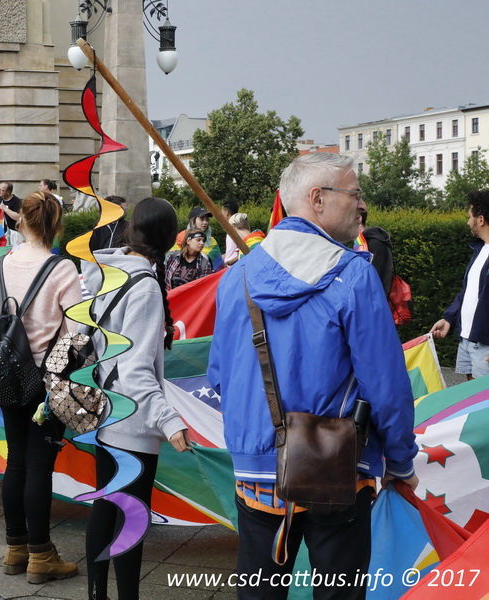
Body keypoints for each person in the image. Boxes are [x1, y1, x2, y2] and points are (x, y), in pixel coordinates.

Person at [208, 153, 419, 599]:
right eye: (355, 194)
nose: (362, 205)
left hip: (255, 472)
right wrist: (401, 462)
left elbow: (219, 376)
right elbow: (386, 387)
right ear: (317, 199)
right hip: (336, 467)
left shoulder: (236, 277)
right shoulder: (355, 275)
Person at [81, 196, 191, 600]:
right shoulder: (144, 287)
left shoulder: (109, 271)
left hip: (104, 408)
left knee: (106, 507)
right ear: (169, 238)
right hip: (131, 418)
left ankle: (96, 594)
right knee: (129, 518)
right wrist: (169, 420)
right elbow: (136, 370)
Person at [0, 191, 82, 584]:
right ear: (57, 225)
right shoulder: (62, 269)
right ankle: (41, 554)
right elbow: (77, 333)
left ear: (20, 220)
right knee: (40, 465)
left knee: (16, 461)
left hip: (7, 375)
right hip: (47, 382)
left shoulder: (1, 265)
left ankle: (15, 548)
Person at [430, 189, 489, 381]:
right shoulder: (480, 250)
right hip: (467, 340)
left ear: (481, 220)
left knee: (484, 399)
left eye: (470, 217)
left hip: (485, 345)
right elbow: (467, 293)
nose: (468, 222)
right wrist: (449, 318)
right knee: (471, 398)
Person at [358, 210, 394, 296]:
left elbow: (374, 278)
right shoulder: (361, 242)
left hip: (375, 299)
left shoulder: (375, 243)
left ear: (359, 218)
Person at [0, 181, 23, 246]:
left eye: (2, 190)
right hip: (1, 234)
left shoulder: (17, 201)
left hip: (14, 234)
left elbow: (18, 217)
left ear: (8, 192)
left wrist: (5, 209)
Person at [222, 200, 240, 265]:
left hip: (233, 267)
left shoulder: (236, 229)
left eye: (222, 212)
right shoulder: (231, 228)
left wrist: (229, 262)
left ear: (227, 213)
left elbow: (243, 252)